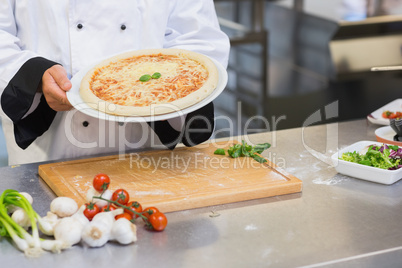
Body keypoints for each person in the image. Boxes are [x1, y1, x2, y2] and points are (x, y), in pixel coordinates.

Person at [0, 1, 230, 165]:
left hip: (148, 150)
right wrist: (33, 74)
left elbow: (199, 36)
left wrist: (164, 89)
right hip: (51, 150)